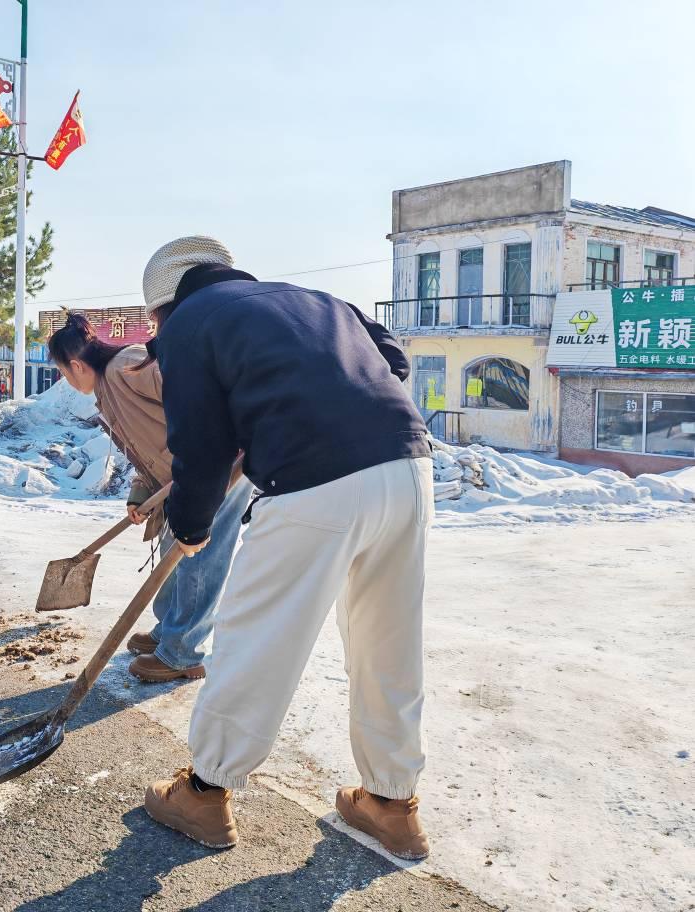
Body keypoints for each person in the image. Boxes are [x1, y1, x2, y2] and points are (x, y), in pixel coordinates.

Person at [137, 237, 434, 861]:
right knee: (388, 640)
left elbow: (200, 445)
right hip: (406, 465)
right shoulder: (313, 299)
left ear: (162, 308)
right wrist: (317, 406)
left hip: (314, 482)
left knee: (258, 637)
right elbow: (392, 357)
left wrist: (189, 526)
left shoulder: (191, 323)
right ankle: (391, 803)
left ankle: (204, 793)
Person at [49, 313, 252, 682]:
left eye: (63, 372)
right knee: (173, 548)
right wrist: (140, 492)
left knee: (199, 557)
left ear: (75, 365)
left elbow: (196, 393)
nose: (67, 380)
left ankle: (182, 653)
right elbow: (145, 447)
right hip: (182, 476)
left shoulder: (128, 366)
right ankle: (168, 632)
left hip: (218, 468)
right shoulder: (107, 390)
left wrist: (214, 449)